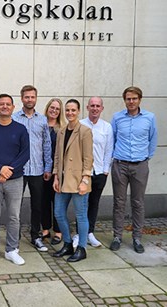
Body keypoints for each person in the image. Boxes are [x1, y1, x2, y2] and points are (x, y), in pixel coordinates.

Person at [0, 94, 30, 266]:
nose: (5, 107)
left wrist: (8, 171)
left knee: (14, 216)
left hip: (15, 180)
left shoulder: (21, 129)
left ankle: (11, 250)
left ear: (13, 107)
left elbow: (25, 154)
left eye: (8, 104)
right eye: (1, 104)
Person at [110, 86, 157, 254]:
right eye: (128, 99)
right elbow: (113, 139)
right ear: (124, 100)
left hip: (140, 165)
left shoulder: (149, 118)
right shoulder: (117, 118)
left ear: (139, 100)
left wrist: (144, 158)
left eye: (134, 98)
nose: (131, 102)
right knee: (119, 203)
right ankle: (117, 236)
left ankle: (137, 238)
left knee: (138, 203)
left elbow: (152, 141)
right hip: (120, 165)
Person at [52, 99, 93, 263]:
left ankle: (82, 248)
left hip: (78, 181)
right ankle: (68, 244)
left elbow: (88, 158)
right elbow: (57, 156)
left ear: (78, 111)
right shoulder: (61, 131)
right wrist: (55, 175)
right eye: (67, 110)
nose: (70, 113)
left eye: (73, 110)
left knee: (81, 216)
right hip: (62, 180)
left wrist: (85, 179)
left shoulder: (85, 131)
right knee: (59, 213)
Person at [12, 85, 51, 252]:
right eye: (26, 97)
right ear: (21, 98)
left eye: (32, 97)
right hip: (18, 170)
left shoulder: (42, 120)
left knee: (37, 205)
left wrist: (48, 167)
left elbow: (47, 145)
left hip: (37, 169)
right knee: (15, 205)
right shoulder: (13, 118)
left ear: (36, 98)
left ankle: (36, 236)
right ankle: (15, 236)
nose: (29, 100)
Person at [73, 97, 113, 248]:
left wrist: (105, 170)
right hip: (83, 173)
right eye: (92, 106)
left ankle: (90, 233)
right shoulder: (80, 124)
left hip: (99, 172)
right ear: (87, 107)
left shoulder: (107, 127)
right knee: (81, 204)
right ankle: (79, 233)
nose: (95, 108)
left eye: (98, 106)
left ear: (102, 108)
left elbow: (109, 149)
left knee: (94, 203)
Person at [41, 98, 66, 246]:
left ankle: (58, 230)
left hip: (58, 170)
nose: (54, 110)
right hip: (42, 169)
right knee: (43, 200)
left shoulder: (62, 128)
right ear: (47, 108)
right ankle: (45, 228)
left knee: (57, 201)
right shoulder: (41, 124)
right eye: (52, 107)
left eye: (57, 108)